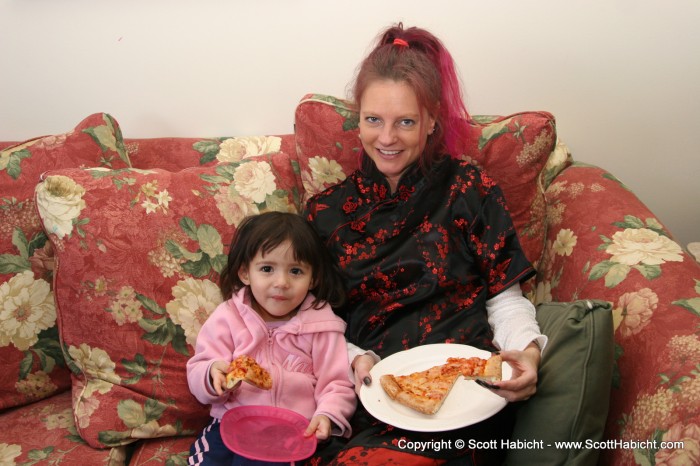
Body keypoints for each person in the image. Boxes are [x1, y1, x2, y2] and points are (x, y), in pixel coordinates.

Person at [303, 23, 548, 465]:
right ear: (357, 118)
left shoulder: (471, 190)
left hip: (466, 397)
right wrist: (356, 358)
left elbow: (505, 301)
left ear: (432, 121)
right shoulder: (325, 213)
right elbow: (312, 322)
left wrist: (527, 354)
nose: (387, 138)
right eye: (373, 120)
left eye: (406, 122)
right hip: (370, 399)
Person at [186, 212, 357, 466]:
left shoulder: (322, 326)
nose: (281, 283)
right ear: (245, 273)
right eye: (267, 269)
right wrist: (213, 375)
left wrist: (327, 415)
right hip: (229, 422)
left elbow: (337, 383)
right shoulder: (228, 317)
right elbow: (199, 367)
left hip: (289, 432)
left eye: (296, 271)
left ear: (314, 279)